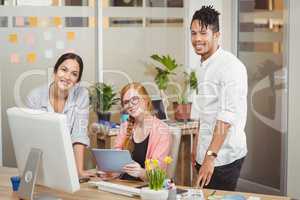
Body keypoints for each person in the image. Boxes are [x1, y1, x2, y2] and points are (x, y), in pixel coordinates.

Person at [190, 6, 248, 191]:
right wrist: (196, 147)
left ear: (216, 35)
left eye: (203, 33)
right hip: (205, 151)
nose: (197, 38)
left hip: (223, 156)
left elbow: (226, 116)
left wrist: (210, 157)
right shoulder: (202, 65)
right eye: (193, 33)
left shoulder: (230, 67)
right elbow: (203, 111)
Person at [26, 53, 93, 178]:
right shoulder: (35, 97)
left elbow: (79, 134)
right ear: (55, 71)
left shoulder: (82, 95)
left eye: (74, 74)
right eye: (64, 70)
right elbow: (32, 137)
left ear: (77, 81)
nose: (67, 77)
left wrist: (79, 170)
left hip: (67, 162)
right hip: (40, 161)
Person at [112, 82, 172, 181]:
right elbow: (117, 161)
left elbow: (157, 174)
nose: (130, 105)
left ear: (145, 100)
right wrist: (109, 172)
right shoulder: (125, 126)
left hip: (147, 187)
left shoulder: (162, 131)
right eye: (126, 102)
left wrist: (140, 172)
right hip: (123, 184)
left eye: (134, 99)